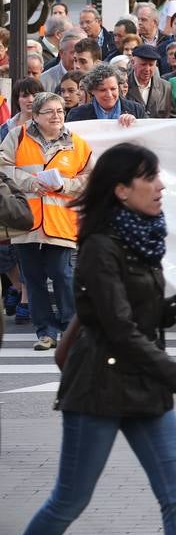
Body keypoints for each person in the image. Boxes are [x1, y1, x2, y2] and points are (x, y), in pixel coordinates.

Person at [7, 142, 176, 535]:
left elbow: (136, 317)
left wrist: (173, 307)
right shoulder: (99, 246)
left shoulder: (143, 234)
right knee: (69, 500)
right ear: (123, 190)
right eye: (151, 178)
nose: (161, 187)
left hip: (144, 387)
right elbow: (118, 330)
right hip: (98, 388)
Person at [0, 92, 93, 351]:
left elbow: (89, 178)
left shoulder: (77, 143)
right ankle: (45, 332)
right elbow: (3, 168)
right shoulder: (17, 136)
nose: (57, 116)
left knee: (62, 274)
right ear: (37, 116)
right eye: (50, 111)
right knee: (33, 278)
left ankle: (70, 327)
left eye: (60, 111)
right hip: (26, 220)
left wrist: (65, 185)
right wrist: (30, 182)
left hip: (61, 221)